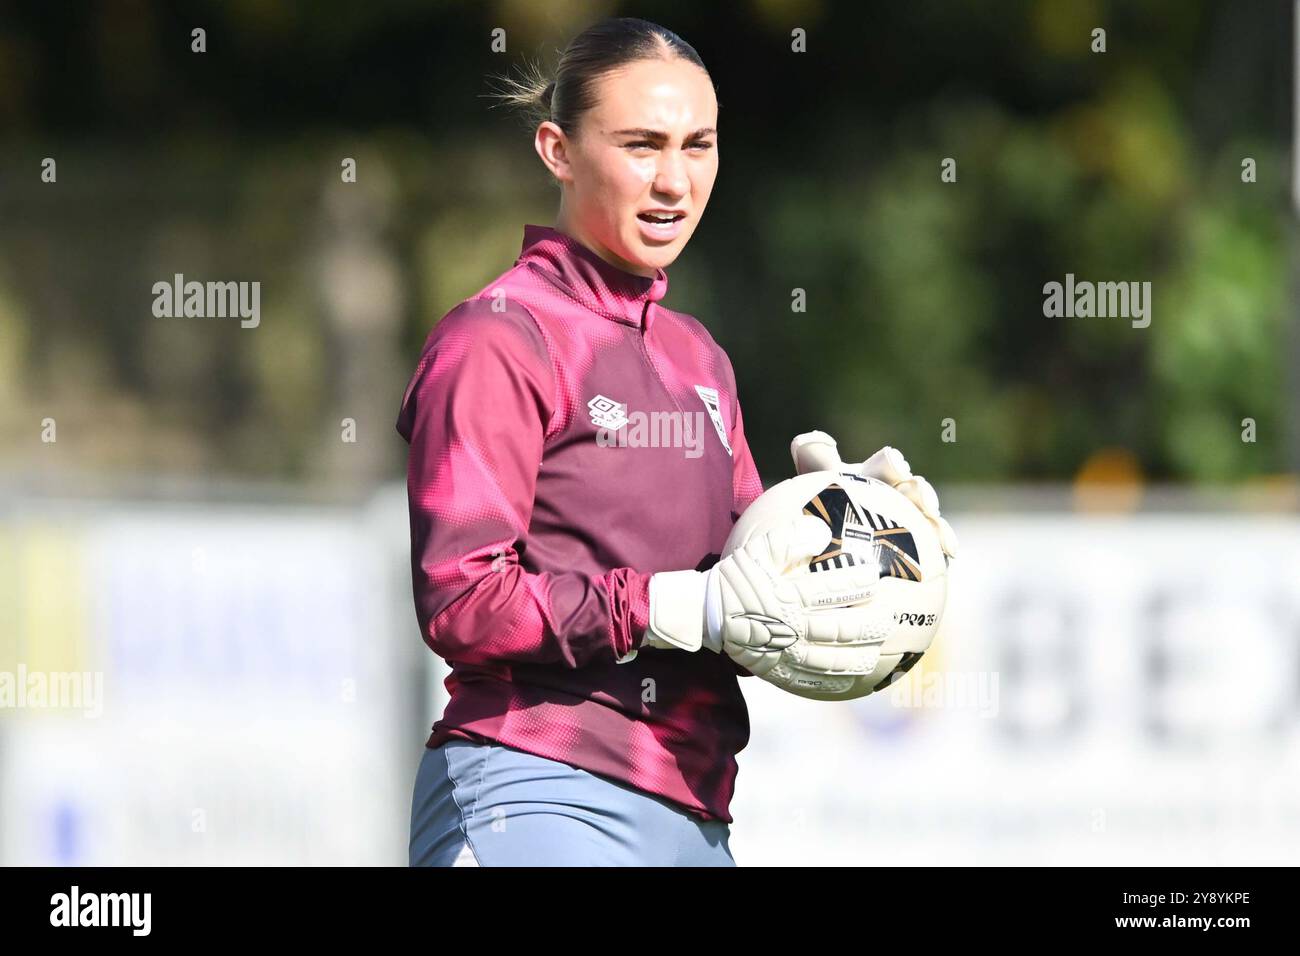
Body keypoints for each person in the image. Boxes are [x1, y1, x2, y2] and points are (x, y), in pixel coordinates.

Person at [399, 17, 953, 867]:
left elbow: (750, 609)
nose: (674, 181)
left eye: (699, 145)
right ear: (557, 149)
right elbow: (463, 601)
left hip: (695, 815)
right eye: (641, 145)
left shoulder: (700, 357)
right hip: (533, 788)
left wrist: (850, 535)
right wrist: (661, 606)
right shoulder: (500, 338)